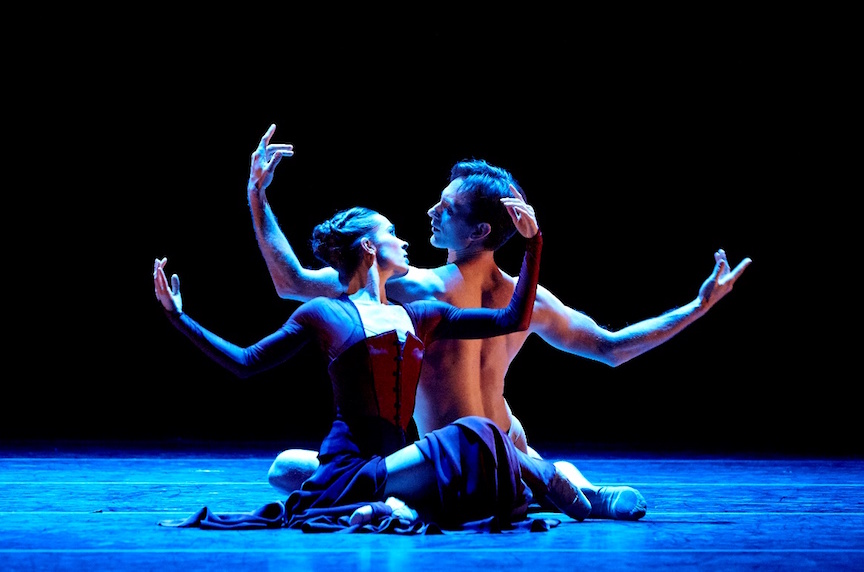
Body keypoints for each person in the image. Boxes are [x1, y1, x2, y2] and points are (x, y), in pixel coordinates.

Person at [247, 125, 753, 522]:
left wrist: (258, 197)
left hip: (453, 464)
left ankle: (430, 500)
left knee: (292, 470)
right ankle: (558, 481)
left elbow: (292, 282)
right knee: (510, 453)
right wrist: (697, 307)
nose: (431, 211)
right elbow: (612, 347)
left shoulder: (415, 289)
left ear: (479, 231)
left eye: (446, 208)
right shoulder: (530, 298)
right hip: (511, 442)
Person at [153, 130, 591, 533]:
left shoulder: (420, 315)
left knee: (477, 441)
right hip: (351, 465)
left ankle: (393, 506)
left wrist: (533, 243)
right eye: (392, 233)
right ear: (368, 247)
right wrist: (179, 317)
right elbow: (247, 360)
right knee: (473, 431)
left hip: (393, 462)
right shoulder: (327, 313)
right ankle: (543, 478)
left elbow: (512, 319)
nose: (405, 240)